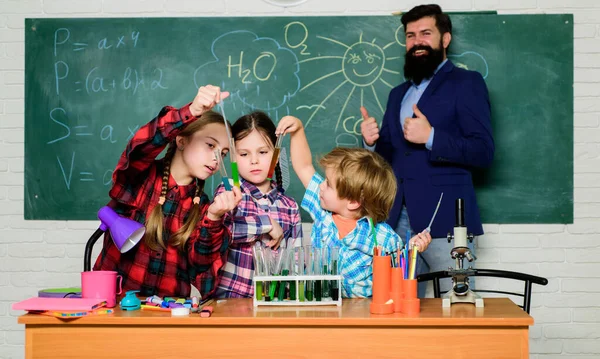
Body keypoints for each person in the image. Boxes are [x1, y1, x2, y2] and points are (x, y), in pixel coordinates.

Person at [360, 4, 495, 297]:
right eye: (410, 35)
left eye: (425, 33)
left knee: (455, 304)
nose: (417, 41)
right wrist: (371, 143)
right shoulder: (398, 94)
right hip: (395, 220)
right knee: (396, 303)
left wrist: (432, 136)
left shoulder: (466, 83)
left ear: (445, 39)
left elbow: (483, 151)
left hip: (445, 221)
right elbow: (390, 158)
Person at [93, 85, 242, 298]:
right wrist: (192, 111)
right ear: (181, 140)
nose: (217, 159)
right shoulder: (140, 178)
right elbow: (142, 144)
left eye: (224, 154)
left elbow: (202, 272)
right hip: (115, 310)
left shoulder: (205, 207)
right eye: (210, 146)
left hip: (167, 318)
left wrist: (214, 217)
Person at [277, 115, 431, 298]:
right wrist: (298, 130)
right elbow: (303, 166)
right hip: (324, 314)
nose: (320, 185)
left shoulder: (383, 238)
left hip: (364, 319)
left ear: (353, 202)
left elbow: (399, 283)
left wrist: (411, 250)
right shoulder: (323, 212)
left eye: (328, 184)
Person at [213, 111, 302, 298]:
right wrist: (266, 223)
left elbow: (295, 262)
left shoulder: (290, 206)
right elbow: (221, 231)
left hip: (273, 305)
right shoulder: (229, 190)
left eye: (262, 152)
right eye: (244, 154)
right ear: (234, 159)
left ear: (276, 156)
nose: (254, 160)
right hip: (230, 302)